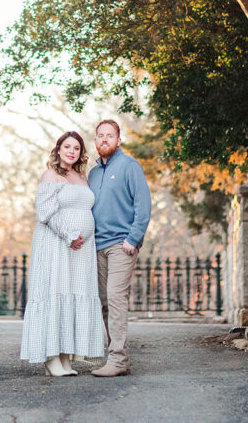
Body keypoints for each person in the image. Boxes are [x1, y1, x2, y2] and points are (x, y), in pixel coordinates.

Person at [20, 131, 105, 376]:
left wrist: (82, 237)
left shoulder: (81, 177)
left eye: (76, 148)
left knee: (73, 294)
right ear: (58, 149)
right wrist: (69, 235)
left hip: (81, 251)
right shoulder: (51, 174)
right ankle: (51, 357)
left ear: (81, 153)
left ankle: (66, 356)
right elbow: (45, 211)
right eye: (67, 146)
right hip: (57, 244)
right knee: (55, 291)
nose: (71, 151)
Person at [88, 119, 151, 377]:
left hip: (120, 245)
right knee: (104, 302)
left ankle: (118, 360)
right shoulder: (92, 174)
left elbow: (143, 206)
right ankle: (114, 356)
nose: (105, 139)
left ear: (118, 139)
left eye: (110, 135)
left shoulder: (129, 166)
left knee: (115, 298)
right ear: (95, 140)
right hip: (97, 245)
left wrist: (132, 239)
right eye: (100, 135)